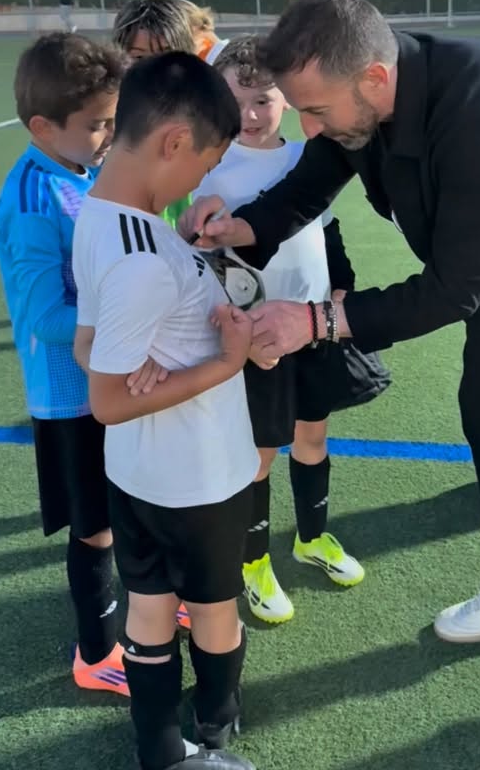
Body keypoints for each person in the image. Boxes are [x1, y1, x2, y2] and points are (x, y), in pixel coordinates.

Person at [180, 0, 480, 739]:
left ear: (375, 81)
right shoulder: (359, 100)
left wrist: (319, 320)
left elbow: (452, 288)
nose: (309, 125)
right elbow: (305, 186)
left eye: (316, 110)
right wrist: (235, 227)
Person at [72, 51, 261, 770]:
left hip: (138, 478)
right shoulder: (144, 259)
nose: (202, 181)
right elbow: (109, 402)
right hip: (199, 478)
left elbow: (90, 342)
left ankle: (161, 752)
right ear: (174, 143)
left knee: (150, 610)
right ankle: (212, 735)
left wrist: (183, 264)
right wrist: (224, 363)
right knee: (214, 609)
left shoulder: (106, 215)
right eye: (205, 164)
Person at [196, 36, 363, 624]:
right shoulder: (209, 167)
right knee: (261, 454)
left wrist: (341, 289)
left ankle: (311, 537)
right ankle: (254, 562)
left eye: (264, 99)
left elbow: (329, 233)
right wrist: (236, 332)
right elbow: (204, 261)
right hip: (256, 340)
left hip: (312, 327)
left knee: (312, 438)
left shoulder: (306, 161)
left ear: (286, 101)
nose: (251, 114)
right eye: (238, 99)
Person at [0, 32, 129, 695]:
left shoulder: (85, 167)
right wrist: (119, 321)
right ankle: (96, 653)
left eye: (112, 119)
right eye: (97, 124)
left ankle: (152, 606)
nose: (108, 134)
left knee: (133, 502)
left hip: (114, 377)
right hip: (72, 396)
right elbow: (43, 317)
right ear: (44, 126)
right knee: (96, 528)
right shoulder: (29, 202)